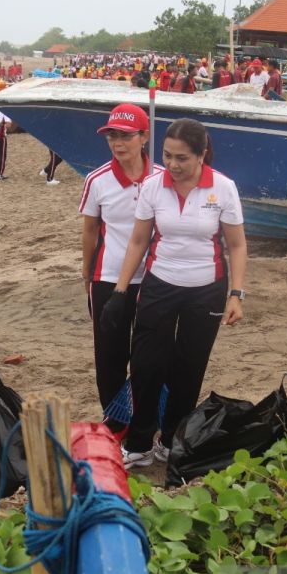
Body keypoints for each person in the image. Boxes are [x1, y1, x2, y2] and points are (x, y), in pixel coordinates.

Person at [105, 118, 247, 468]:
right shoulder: (154, 187)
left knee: (188, 367)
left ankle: (171, 439)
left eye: (182, 158)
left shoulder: (224, 188)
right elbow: (139, 240)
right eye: (167, 156)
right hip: (160, 284)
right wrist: (120, 291)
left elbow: (237, 245)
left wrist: (236, 294)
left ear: (202, 155)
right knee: (145, 364)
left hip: (206, 289)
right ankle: (139, 442)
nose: (172, 165)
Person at [80, 104, 161, 424]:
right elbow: (89, 230)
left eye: (126, 136)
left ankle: (147, 419)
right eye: (112, 135)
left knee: (150, 355)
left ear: (144, 136)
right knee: (110, 356)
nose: (118, 143)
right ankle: (116, 420)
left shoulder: (162, 178)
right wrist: (86, 273)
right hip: (107, 277)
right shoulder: (97, 180)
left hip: (156, 279)